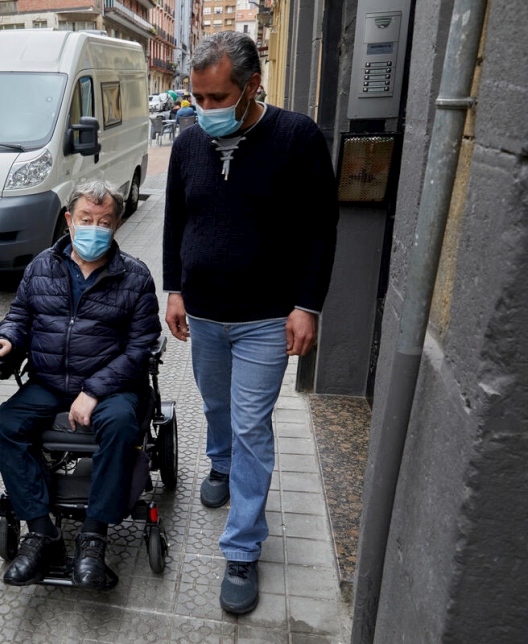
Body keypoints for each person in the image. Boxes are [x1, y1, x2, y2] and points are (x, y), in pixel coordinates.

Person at [163, 31, 338, 614]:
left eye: (217, 98)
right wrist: (174, 289)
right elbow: (174, 219)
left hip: (266, 316)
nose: (205, 110)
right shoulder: (188, 144)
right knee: (216, 408)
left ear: (251, 87)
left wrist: (307, 304)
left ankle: (241, 547)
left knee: (251, 425)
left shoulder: (296, 139)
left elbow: (320, 228)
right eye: (198, 98)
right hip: (205, 314)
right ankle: (218, 463)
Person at [0, 180, 161, 590]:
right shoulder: (42, 266)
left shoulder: (134, 276)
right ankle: (44, 533)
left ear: (116, 226)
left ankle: (94, 536)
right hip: (49, 381)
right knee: (2, 425)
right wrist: (7, 338)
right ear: (69, 220)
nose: (95, 228)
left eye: (104, 221)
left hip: (113, 386)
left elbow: (141, 347)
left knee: (119, 425)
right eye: (86, 219)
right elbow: (21, 315)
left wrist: (94, 389)